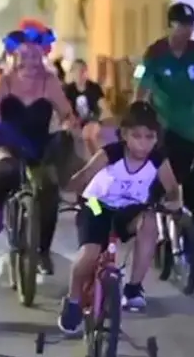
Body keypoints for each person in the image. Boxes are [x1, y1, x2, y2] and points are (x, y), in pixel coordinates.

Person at [59, 102, 184, 333]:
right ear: (125, 135)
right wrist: (69, 188)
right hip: (96, 204)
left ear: (157, 138)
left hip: (130, 208)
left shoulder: (157, 159)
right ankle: (73, 300)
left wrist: (174, 202)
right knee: (91, 252)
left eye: (150, 137)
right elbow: (85, 175)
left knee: (148, 222)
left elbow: (172, 188)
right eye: (137, 136)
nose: (143, 143)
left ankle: (134, 288)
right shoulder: (111, 154)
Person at [0, 23, 78, 275]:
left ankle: (43, 251)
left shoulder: (50, 82)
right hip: (7, 142)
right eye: (24, 56)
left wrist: (68, 125)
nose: (30, 62)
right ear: (14, 57)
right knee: (5, 169)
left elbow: (67, 113)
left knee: (50, 190)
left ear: (43, 56)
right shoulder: (4, 81)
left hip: (39, 145)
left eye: (35, 56)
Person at [134, 2, 194, 219]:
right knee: (160, 183)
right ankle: (158, 235)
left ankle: (193, 237)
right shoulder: (154, 54)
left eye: (191, 25)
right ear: (170, 25)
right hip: (162, 128)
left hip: (190, 129)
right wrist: (135, 124)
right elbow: (140, 91)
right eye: (182, 25)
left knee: (189, 185)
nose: (188, 30)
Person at [64, 59, 106, 158]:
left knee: (88, 135)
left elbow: (103, 106)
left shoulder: (94, 87)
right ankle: (75, 161)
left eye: (82, 71)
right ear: (72, 73)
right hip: (75, 120)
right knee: (68, 133)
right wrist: (71, 121)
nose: (80, 74)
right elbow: (66, 109)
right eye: (77, 71)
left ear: (86, 72)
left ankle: (97, 160)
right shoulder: (68, 89)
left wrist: (100, 118)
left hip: (92, 119)